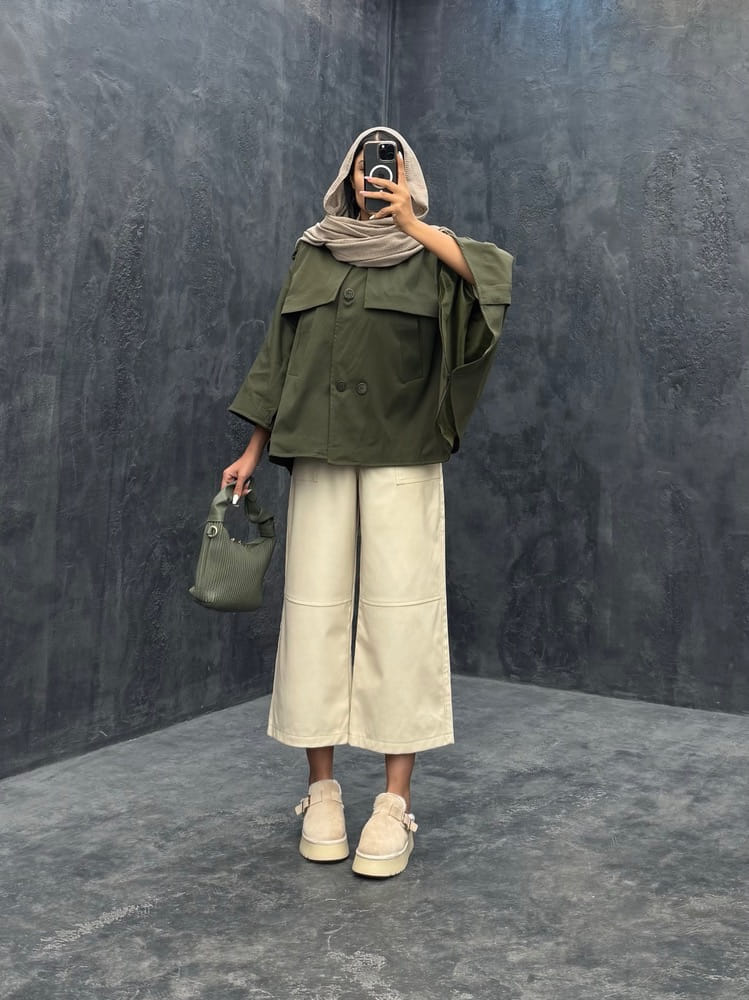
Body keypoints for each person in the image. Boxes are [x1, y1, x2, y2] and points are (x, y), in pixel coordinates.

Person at [222, 126, 512, 878]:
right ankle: (321, 792)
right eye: (364, 159)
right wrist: (253, 448)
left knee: (400, 617)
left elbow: (491, 283)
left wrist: (414, 225)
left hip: (402, 455)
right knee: (312, 613)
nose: (373, 170)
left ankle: (392, 804)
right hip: (317, 450)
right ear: (347, 174)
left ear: (406, 175)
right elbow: (278, 353)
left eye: (388, 160)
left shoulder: (432, 253)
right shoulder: (313, 250)